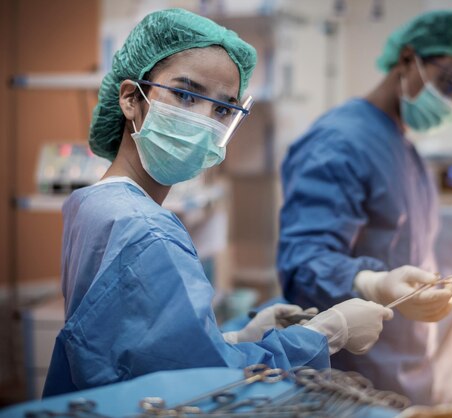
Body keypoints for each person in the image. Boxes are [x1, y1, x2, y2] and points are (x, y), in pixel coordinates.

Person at [43, 8, 393, 397]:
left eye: (223, 109)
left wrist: (239, 336)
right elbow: (202, 384)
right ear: (130, 98)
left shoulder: (95, 204)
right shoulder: (147, 232)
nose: (205, 120)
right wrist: (326, 333)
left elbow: (138, 352)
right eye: (184, 94)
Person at [277, 10, 452, 404]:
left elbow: (399, 250)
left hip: (403, 377)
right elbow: (304, 264)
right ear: (408, 59)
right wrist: (374, 283)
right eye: (449, 83)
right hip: (353, 382)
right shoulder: (339, 143)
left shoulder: (401, 145)